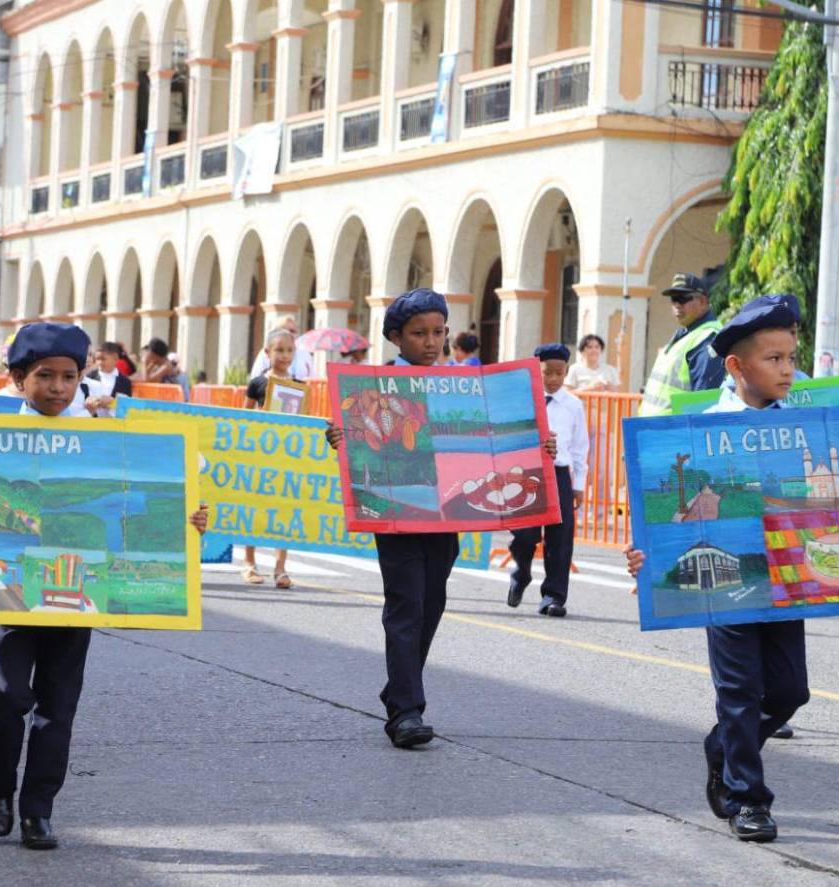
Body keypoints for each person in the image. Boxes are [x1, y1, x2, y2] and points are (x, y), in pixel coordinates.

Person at [624, 294, 839, 843]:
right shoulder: (698, 430)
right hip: (732, 580)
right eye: (774, 359)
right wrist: (646, 553)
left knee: (790, 693)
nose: (787, 369)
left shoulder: (810, 427)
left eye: (790, 356)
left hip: (790, 579)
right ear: (736, 367)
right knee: (739, 692)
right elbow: (670, 511)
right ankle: (747, 799)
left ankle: (723, 747)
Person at [0, 322, 208, 850]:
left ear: (83, 376)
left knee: (58, 705)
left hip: (80, 588)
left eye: (69, 376)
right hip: (13, 592)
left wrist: (190, 517)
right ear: (18, 378)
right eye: (45, 377)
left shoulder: (104, 429)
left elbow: (179, 472)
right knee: (8, 695)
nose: (58, 388)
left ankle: (39, 809)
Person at [325, 289, 556, 748]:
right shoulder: (375, 382)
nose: (431, 342)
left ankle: (399, 687)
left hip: (445, 515)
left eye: (438, 332)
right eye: (419, 334)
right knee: (406, 604)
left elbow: (494, 438)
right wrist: (338, 435)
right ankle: (406, 712)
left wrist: (538, 448)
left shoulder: (463, 384)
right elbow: (354, 428)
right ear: (395, 338)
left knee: (431, 603)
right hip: (397, 512)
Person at [507, 343, 589, 617]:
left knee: (560, 538)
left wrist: (578, 486)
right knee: (525, 534)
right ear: (536, 371)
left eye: (559, 373)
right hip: (528, 473)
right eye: (547, 372)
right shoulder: (523, 401)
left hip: (559, 474)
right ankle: (522, 570)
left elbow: (580, 447)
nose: (553, 379)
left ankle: (554, 596)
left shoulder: (573, 405)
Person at [241, 329, 299, 589]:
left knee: (283, 510)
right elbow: (244, 418)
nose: (285, 355)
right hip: (260, 455)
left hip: (285, 458)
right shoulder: (258, 383)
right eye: (279, 350)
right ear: (267, 352)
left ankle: (280, 567)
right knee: (255, 507)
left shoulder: (298, 385)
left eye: (289, 350)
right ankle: (249, 562)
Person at [637, 273, 725, 416]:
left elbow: (704, 404)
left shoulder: (707, 337)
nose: (677, 305)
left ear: (703, 301)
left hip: (674, 433)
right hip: (656, 430)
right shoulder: (687, 334)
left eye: (683, 298)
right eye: (674, 299)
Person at [249, 315, 313, 381]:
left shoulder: (304, 353)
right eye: (286, 330)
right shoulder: (267, 352)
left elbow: (312, 377)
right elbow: (256, 376)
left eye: (293, 331)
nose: (289, 334)